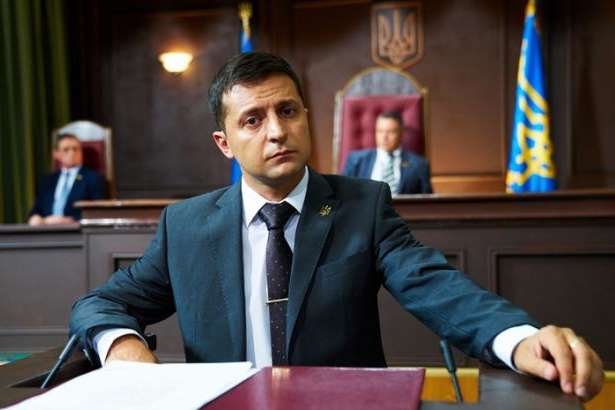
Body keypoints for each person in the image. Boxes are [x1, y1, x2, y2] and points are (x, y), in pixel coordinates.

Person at [69, 52, 603, 401]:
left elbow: (435, 285)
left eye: (288, 111)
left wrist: (519, 339)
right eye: (253, 120)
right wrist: (122, 347)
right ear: (224, 143)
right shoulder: (186, 225)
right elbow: (99, 304)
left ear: (306, 116)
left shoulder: (361, 206)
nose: (277, 131)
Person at [342, 111, 432, 194]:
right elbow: (343, 195)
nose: (384, 137)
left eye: (391, 132)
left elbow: (427, 202)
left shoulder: (419, 165)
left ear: (401, 133)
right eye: (380, 131)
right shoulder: (356, 160)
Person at [28, 133, 107, 225]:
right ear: (56, 154)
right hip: (46, 229)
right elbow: (37, 209)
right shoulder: (47, 180)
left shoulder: (93, 178)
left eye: (75, 149)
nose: (72, 153)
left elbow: (98, 212)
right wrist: (35, 217)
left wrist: (69, 221)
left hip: (76, 230)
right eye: (66, 150)